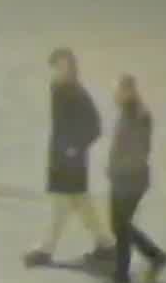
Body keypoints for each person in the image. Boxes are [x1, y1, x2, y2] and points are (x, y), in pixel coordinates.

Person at [27, 49, 112, 269]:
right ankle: (106, 244)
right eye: (57, 66)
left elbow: (95, 126)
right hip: (59, 156)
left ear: (72, 67)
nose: (60, 70)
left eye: (64, 66)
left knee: (61, 204)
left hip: (72, 159)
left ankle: (45, 250)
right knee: (81, 201)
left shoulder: (78, 94)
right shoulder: (57, 88)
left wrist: (76, 147)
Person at [104, 73, 166, 283]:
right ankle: (155, 255)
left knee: (120, 226)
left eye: (117, 91)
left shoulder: (137, 115)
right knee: (120, 225)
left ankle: (121, 276)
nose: (114, 95)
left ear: (127, 91)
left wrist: (117, 168)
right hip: (125, 178)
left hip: (129, 180)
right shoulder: (130, 111)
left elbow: (136, 150)